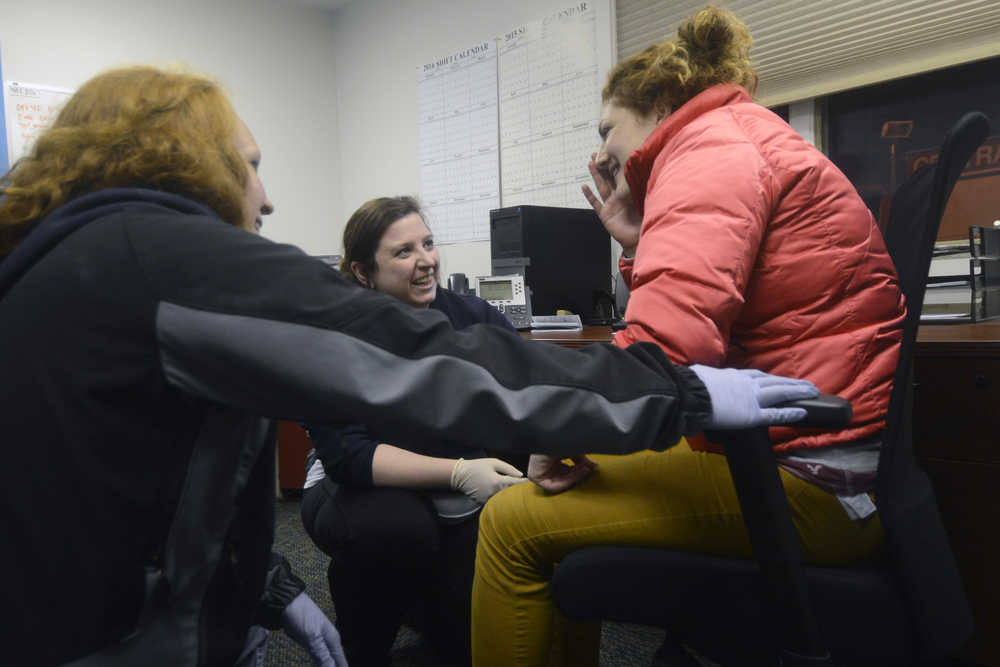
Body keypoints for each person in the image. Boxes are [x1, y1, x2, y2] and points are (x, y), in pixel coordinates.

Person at [0, 65, 819, 667]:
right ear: (183, 159)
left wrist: (272, 590)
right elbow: (418, 360)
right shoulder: (158, 256)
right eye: (247, 163)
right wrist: (669, 393)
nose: (266, 194)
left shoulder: (73, 266)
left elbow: (142, 479)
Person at [470, 6, 906, 666]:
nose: (601, 153)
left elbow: (661, 359)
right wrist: (640, 241)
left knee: (509, 523)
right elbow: (702, 318)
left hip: (812, 482)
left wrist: (556, 430)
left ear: (662, 101)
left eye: (606, 129)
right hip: (812, 457)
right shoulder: (736, 140)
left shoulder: (706, 151)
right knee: (557, 491)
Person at [300, 196, 524, 666]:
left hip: (455, 476)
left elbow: (529, 388)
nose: (426, 261)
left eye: (428, 244)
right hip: (359, 484)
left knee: (463, 643)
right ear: (363, 272)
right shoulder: (334, 335)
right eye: (403, 252)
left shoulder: (472, 318)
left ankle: (429, 615)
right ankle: (359, 648)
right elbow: (351, 456)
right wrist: (460, 472)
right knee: (396, 530)